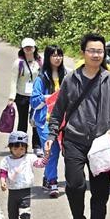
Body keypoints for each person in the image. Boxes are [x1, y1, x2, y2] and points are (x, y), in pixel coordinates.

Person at [45, 33, 110, 219]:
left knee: (100, 192)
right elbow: (58, 110)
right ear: (83, 52)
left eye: (100, 51)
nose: (96, 55)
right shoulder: (71, 79)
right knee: (75, 186)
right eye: (92, 50)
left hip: (101, 144)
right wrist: (52, 135)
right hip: (74, 140)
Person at [31, 45, 70, 198]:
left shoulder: (66, 76)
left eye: (59, 55)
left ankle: (48, 177)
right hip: (45, 121)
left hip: (64, 121)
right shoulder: (41, 78)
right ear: (48, 57)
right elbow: (34, 101)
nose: (57, 58)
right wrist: (50, 99)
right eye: (54, 55)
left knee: (66, 152)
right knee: (52, 151)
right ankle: (53, 182)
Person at [0, 130, 47, 219]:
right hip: (13, 192)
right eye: (16, 149)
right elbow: (3, 173)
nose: (19, 151)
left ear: (26, 148)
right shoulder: (6, 161)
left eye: (22, 149)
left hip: (25, 191)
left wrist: (47, 156)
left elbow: (40, 164)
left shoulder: (30, 158)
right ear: (10, 148)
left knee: (25, 214)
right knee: (12, 214)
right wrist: (3, 182)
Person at [8, 38, 43, 154]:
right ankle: (20, 146)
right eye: (26, 47)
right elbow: (13, 81)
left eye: (31, 47)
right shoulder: (18, 63)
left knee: (35, 121)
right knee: (22, 121)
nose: (28, 49)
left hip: (36, 96)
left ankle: (37, 146)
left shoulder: (40, 61)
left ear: (34, 48)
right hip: (22, 95)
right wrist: (11, 97)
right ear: (22, 49)